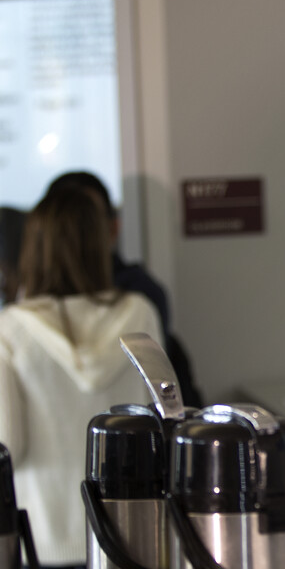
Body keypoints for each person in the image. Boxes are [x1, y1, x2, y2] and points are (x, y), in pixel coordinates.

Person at [0, 186, 163, 569]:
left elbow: (6, 444)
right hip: (126, 524)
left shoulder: (5, 331)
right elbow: (159, 419)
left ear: (33, 247)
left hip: (40, 532)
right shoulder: (140, 315)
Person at [45, 170, 204, 407]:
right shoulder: (35, 299)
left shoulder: (139, 299)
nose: (77, 237)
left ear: (112, 228)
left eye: (88, 223)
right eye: (67, 225)